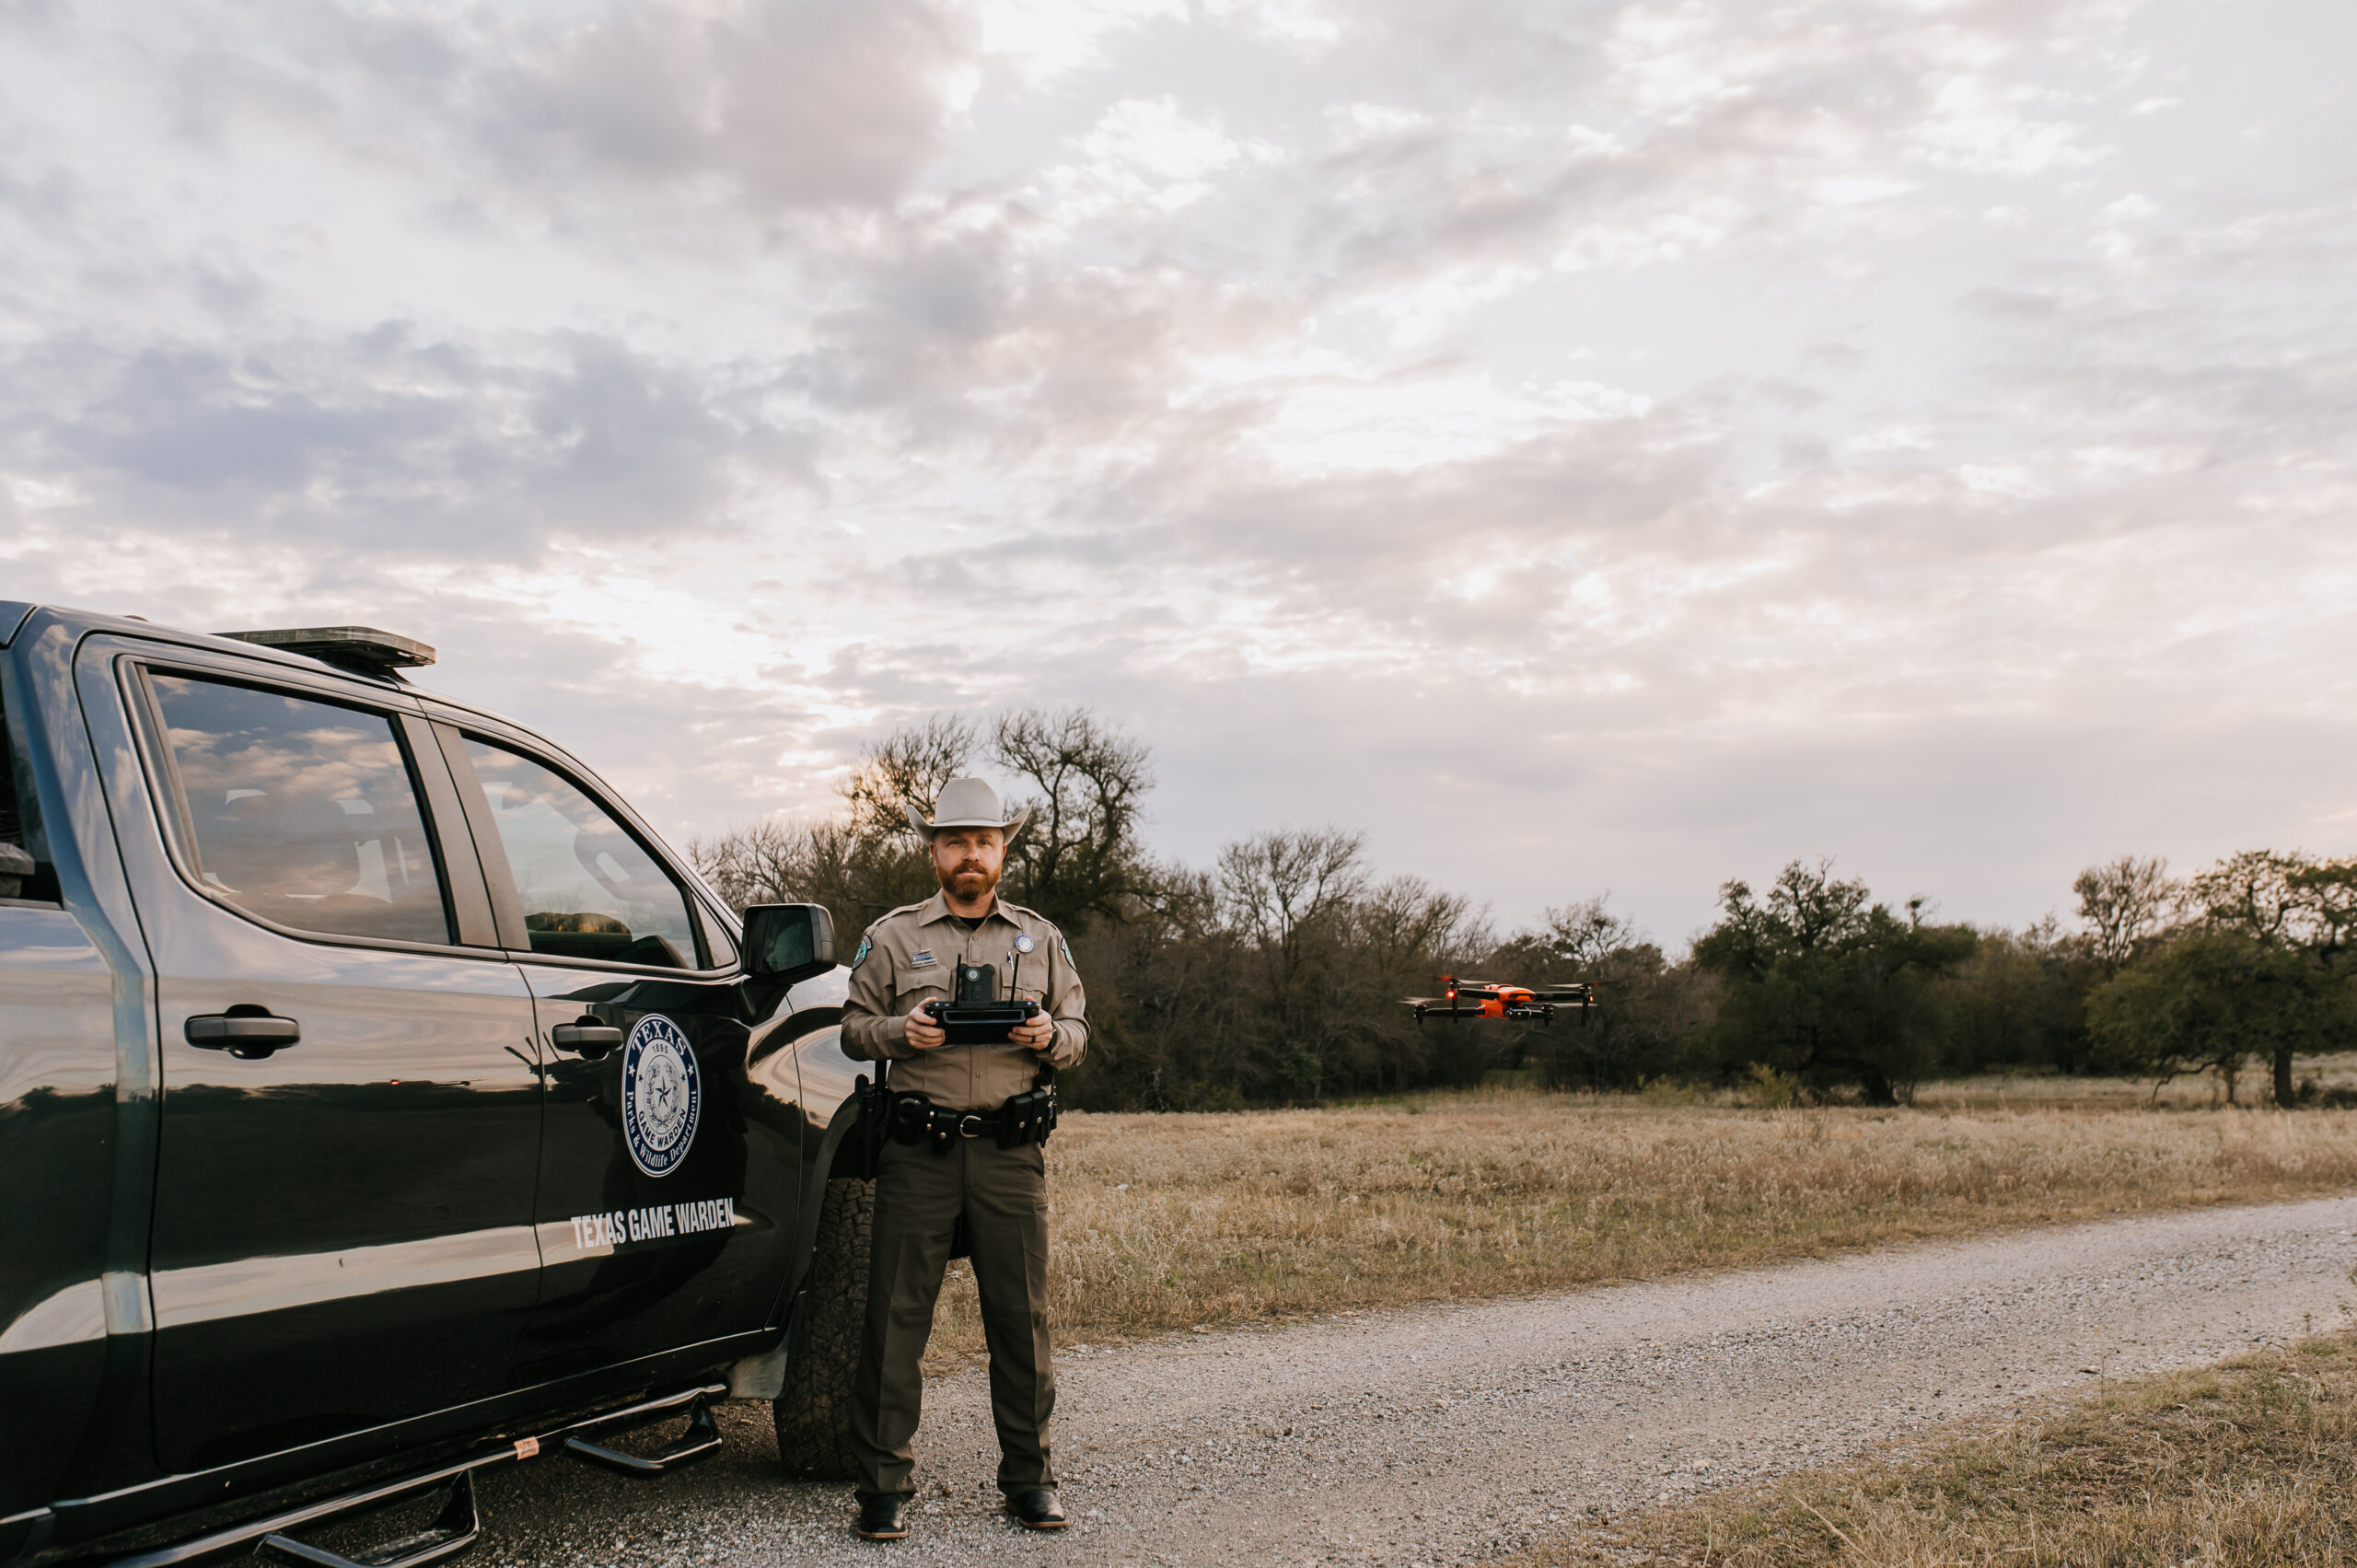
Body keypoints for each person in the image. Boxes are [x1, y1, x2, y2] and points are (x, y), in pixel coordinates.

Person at [839, 776, 1087, 1542]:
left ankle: (1030, 1480)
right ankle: (882, 1487)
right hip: (920, 1149)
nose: (970, 854)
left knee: (1021, 1322)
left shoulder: (1041, 938)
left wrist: (1048, 1036)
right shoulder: (891, 936)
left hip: (1012, 1153)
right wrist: (898, 1033)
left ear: (1002, 850)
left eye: (983, 841)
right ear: (933, 849)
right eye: (955, 841)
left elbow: (1080, 1034)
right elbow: (851, 1028)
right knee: (894, 1322)